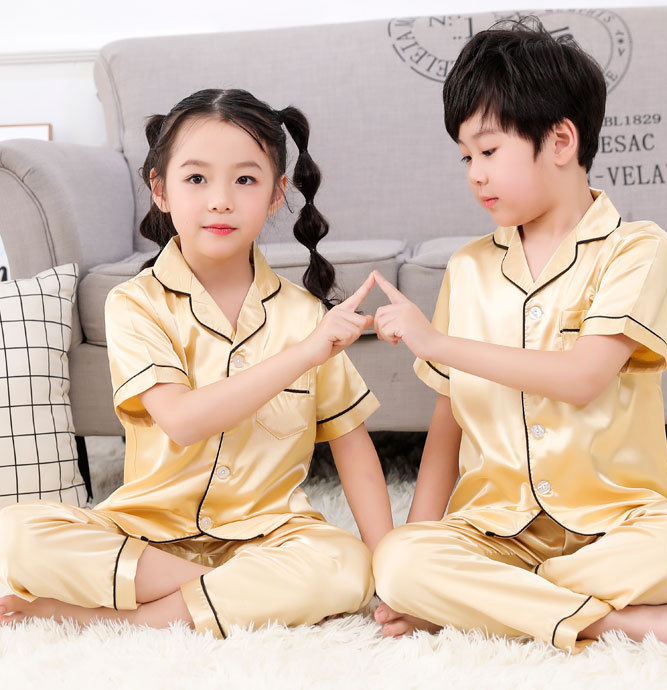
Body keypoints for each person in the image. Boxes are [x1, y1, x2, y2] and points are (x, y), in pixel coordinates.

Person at [370, 20, 667, 652]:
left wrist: (435, 342)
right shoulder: (467, 268)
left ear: (561, 140)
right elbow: (448, 423)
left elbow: (582, 378)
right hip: (494, 532)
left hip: (618, 523)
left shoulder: (636, 249)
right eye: (466, 157)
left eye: (489, 151)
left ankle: (497, 604)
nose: (474, 174)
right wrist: (406, 568)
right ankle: (626, 622)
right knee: (401, 560)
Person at [0, 88, 393, 637]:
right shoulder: (135, 303)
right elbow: (182, 420)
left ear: (278, 194)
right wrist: (306, 353)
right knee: (16, 533)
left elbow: (354, 448)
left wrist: (392, 576)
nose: (221, 200)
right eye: (197, 178)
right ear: (160, 190)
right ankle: (228, 597)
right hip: (145, 536)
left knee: (345, 565)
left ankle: (130, 618)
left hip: (269, 535)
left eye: (246, 179)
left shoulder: (305, 315)